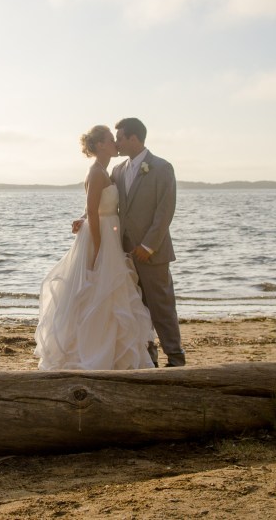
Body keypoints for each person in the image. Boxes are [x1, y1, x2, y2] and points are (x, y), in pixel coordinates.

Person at [34, 125, 155, 370]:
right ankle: (92, 350)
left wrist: (84, 220)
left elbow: (94, 208)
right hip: (101, 238)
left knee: (111, 294)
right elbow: (92, 211)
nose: (115, 143)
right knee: (97, 293)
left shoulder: (106, 171)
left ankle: (111, 350)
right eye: (112, 139)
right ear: (100, 145)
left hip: (108, 234)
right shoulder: (96, 172)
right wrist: (99, 250)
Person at [110, 117, 185, 367]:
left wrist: (148, 246)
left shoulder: (162, 168)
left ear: (134, 138)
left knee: (162, 308)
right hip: (126, 254)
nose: (116, 142)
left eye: (119, 137)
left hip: (153, 253)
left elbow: (165, 211)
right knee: (136, 309)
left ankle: (175, 358)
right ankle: (147, 356)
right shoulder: (118, 171)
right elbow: (108, 205)